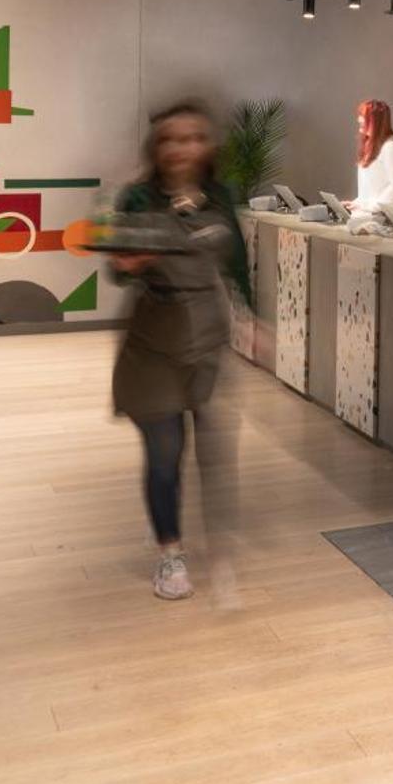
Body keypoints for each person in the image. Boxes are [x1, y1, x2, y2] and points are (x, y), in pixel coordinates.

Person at [109, 102, 251, 601]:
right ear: (156, 147)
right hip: (153, 338)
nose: (181, 148)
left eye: (192, 138)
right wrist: (129, 263)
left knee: (215, 453)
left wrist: (253, 317)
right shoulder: (137, 198)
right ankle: (170, 554)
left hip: (208, 336)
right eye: (170, 139)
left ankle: (219, 548)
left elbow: (238, 262)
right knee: (165, 453)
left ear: (207, 146)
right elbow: (116, 270)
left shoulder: (221, 196)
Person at [347, 98, 393, 217]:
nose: (359, 119)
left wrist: (373, 207)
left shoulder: (391, 147)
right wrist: (357, 204)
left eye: (364, 116)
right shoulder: (370, 146)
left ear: (376, 121)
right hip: (378, 212)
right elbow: (371, 188)